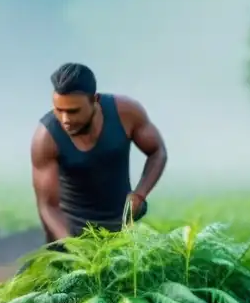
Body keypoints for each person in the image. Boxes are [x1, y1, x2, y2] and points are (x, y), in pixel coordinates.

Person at [31, 63, 167, 240]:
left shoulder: (126, 113)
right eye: (59, 110)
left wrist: (140, 194)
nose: (65, 120)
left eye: (73, 111)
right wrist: (73, 247)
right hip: (71, 235)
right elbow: (48, 206)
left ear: (95, 100)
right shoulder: (46, 137)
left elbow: (157, 151)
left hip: (121, 232)